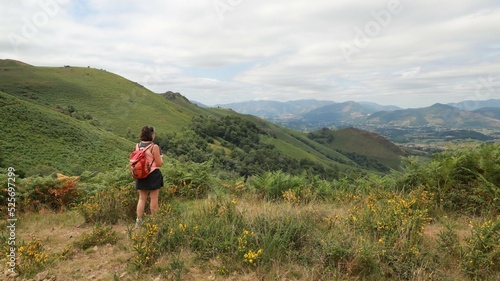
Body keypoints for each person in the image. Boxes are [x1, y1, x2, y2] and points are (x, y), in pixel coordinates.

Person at [134, 126, 164, 228]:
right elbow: (159, 164)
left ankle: (138, 222)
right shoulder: (154, 147)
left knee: (142, 199)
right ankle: (154, 222)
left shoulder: (137, 145)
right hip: (152, 174)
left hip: (141, 174)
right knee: (154, 198)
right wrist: (161, 158)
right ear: (151, 135)